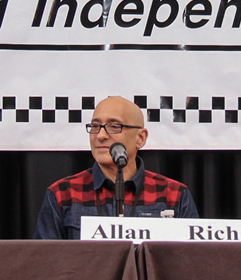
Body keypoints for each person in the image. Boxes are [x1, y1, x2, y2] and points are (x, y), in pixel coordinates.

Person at [34, 96, 198, 239]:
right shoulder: (63, 194)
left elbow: (189, 264)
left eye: (114, 126)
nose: (101, 135)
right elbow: (45, 265)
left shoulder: (174, 196)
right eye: (95, 126)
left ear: (140, 138)